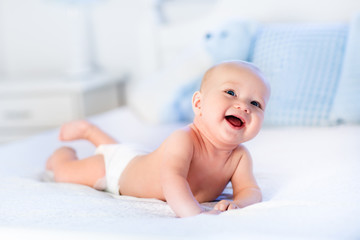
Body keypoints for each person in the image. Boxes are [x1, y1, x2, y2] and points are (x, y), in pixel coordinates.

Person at [46, 61, 271, 218]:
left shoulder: (240, 156)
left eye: (256, 103)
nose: (244, 106)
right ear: (199, 104)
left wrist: (239, 203)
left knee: (124, 151)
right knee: (65, 173)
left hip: (136, 158)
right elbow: (172, 180)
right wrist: (195, 214)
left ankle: (91, 133)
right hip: (116, 170)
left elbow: (250, 190)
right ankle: (63, 155)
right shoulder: (184, 139)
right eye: (230, 93)